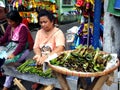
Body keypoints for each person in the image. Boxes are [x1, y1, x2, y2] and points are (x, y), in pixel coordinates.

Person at [32, 9, 66, 90]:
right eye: (41, 22)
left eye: (45, 22)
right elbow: (36, 47)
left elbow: (60, 48)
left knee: (55, 81)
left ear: (52, 21)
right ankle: (40, 82)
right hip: (42, 60)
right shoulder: (39, 32)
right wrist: (38, 54)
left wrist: (46, 57)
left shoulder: (58, 33)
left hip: (55, 62)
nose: (43, 24)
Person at [0, 10, 31, 90]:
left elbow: (22, 44)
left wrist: (14, 54)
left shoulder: (22, 28)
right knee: (3, 60)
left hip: (23, 50)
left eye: (11, 21)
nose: (9, 23)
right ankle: (10, 78)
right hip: (12, 47)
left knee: (9, 63)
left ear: (17, 20)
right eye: (8, 21)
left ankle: (7, 85)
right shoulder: (9, 27)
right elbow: (4, 38)